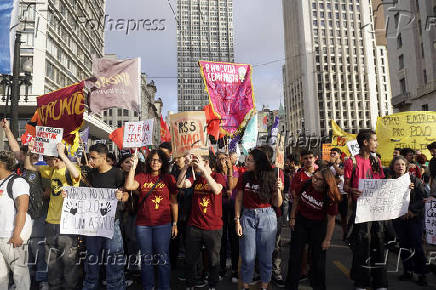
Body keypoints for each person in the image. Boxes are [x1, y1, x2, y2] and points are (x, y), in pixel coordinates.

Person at [25, 142, 82, 290]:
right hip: (50, 222)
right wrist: (29, 153)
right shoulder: (51, 170)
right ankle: (54, 285)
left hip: (67, 224)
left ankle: (70, 287)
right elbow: (29, 167)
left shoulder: (70, 171)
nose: (47, 162)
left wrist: (63, 153)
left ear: (56, 159)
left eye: (49, 159)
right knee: (52, 261)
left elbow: (76, 175)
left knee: (69, 261)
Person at [125, 149, 178, 290]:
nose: (155, 162)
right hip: (143, 225)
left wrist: (175, 223)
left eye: (159, 160)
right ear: (149, 161)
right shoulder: (142, 176)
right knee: (147, 259)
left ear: (163, 162)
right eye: (153, 159)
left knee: (162, 258)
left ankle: (164, 287)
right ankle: (148, 286)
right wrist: (133, 167)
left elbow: (174, 202)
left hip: (163, 224)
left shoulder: (169, 178)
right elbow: (129, 186)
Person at [343, 129, 387, 290]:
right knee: (362, 245)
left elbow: (381, 183)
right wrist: (351, 190)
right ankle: (361, 281)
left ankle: (380, 282)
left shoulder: (377, 161)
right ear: (365, 142)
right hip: (360, 210)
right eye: (374, 140)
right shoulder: (351, 162)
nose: (377, 143)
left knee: (379, 243)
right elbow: (345, 185)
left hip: (376, 210)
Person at [81, 143, 128, 290]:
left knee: (114, 258)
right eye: (90, 157)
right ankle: (90, 285)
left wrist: (122, 196)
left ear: (104, 158)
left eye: (94, 158)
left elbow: (127, 195)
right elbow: (82, 194)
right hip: (93, 224)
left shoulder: (117, 173)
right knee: (92, 257)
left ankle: (115, 286)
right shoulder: (90, 174)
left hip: (111, 222)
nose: (90, 160)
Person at [235, 149, 283, 290]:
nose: (246, 162)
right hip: (247, 216)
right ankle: (245, 286)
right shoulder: (244, 177)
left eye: (250, 160)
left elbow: (277, 203)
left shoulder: (271, 176)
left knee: (265, 257)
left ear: (258, 162)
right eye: (247, 159)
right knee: (247, 256)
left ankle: (264, 286)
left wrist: (278, 190)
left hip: (267, 217)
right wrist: (237, 220)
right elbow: (238, 199)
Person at [177, 154, 226, 290]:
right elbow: (180, 184)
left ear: (206, 162)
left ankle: (212, 284)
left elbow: (216, 189)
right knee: (191, 258)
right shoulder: (195, 178)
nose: (195, 164)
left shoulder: (218, 176)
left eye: (197, 161)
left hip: (213, 226)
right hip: (194, 225)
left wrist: (204, 171)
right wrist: (185, 167)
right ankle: (190, 284)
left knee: (213, 259)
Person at [287, 167, 341, 289]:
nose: (314, 180)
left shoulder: (330, 195)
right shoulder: (306, 184)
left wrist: (327, 239)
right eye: (314, 177)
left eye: (318, 179)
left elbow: (331, 219)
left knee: (318, 260)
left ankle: (318, 286)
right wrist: (292, 217)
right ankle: (291, 285)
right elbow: (296, 199)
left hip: (318, 225)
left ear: (326, 182)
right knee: (295, 256)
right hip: (301, 221)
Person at [388, 156, 427, 286]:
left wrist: (411, 211)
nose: (400, 167)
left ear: (406, 167)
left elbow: (423, 199)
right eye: (397, 164)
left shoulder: (414, 180)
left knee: (416, 245)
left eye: (403, 165)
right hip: (399, 220)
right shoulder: (389, 181)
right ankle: (408, 271)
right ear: (393, 167)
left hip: (414, 219)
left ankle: (422, 274)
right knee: (404, 245)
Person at [0, 151, 32, 290]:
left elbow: (22, 209)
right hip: (1, 236)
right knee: (1, 275)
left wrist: (16, 234)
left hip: (12, 236)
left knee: (20, 274)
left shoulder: (18, 182)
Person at [216, 152, 239, 282]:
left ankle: (235, 270)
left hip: (233, 209)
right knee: (222, 240)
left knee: (234, 239)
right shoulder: (216, 174)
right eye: (219, 159)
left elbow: (231, 186)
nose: (222, 161)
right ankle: (222, 268)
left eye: (224, 159)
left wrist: (229, 168)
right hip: (220, 210)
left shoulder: (235, 172)